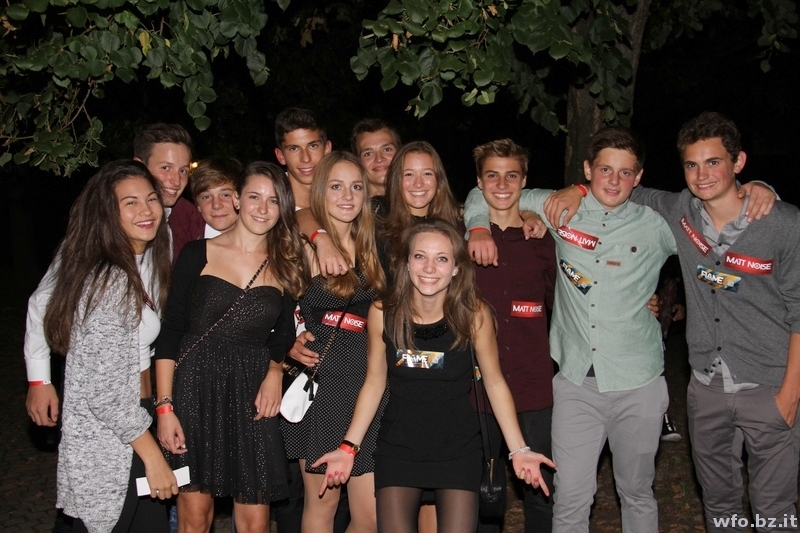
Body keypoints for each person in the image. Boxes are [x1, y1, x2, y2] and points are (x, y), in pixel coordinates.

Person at [549, 112, 798, 531]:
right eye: (691, 165)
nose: (702, 175)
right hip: (706, 385)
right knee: (719, 502)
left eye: (714, 162)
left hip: (769, 383)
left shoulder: (783, 222)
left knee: (775, 507)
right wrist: (576, 189)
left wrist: (790, 393)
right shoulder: (680, 213)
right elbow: (620, 187)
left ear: (738, 162)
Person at [464, 126, 677, 532]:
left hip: (639, 381)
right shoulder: (559, 208)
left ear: (638, 176)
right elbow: (486, 193)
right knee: (569, 498)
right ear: (588, 170)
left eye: (625, 172)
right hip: (576, 382)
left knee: (637, 492)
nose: (614, 181)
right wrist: (477, 227)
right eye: (605, 170)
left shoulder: (656, 225)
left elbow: (712, 240)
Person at [313, 218, 555, 533]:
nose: (429, 268)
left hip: (458, 449)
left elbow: (494, 383)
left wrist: (519, 450)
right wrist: (348, 447)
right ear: (406, 263)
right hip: (399, 448)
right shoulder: (384, 312)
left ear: (456, 268)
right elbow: (374, 382)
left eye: (442, 258)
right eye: (420, 256)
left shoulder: (473, 314)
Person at [155, 161, 307, 533]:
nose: (262, 208)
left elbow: (282, 337)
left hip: (251, 394)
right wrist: (165, 407)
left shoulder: (285, 265)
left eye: (273, 200)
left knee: (255, 522)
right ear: (238, 199)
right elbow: (171, 333)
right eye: (254, 197)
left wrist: (274, 372)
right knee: (195, 517)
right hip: (194, 390)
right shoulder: (197, 253)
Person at [25, 123, 204, 432]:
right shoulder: (99, 235)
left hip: (147, 379)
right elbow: (43, 300)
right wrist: (39, 380)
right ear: (139, 166)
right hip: (104, 385)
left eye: (183, 170)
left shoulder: (165, 225)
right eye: (165, 168)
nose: (175, 181)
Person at [43, 160, 177, 532]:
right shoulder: (111, 280)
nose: (146, 210)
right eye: (130, 203)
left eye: (150, 199)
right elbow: (103, 392)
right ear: (107, 214)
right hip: (116, 438)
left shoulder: (132, 265)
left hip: (133, 421)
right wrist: (153, 457)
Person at [280, 151, 386, 533]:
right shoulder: (306, 245)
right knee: (323, 507)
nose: (347, 196)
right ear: (321, 191)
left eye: (356, 187)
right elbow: (275, 306)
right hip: (325, 390)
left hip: (370, 388)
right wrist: (321, 239)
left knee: (371, 519)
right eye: (336, 186)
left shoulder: (373, 245)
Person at [471, 139, 557, 533]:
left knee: (540, 490)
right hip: (474, 388)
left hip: (534, 382)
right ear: (479, 182)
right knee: (483, 493)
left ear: (524, 181)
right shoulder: (464, 238)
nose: (502, 184)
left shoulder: (542, 239)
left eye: (511, 175)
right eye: (492, 175)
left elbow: (567, 301)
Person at [189, 157, 243, 238]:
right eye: (206, 197)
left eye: (226, 195)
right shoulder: (185, 240)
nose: (216, 205)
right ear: (198, 205)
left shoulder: (261, 241)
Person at [350, 118, 401, 201]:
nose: (379, 159)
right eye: (368, 154)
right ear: (357, 161)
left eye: (387, 150)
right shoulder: (350, 205)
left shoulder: (419, 200)